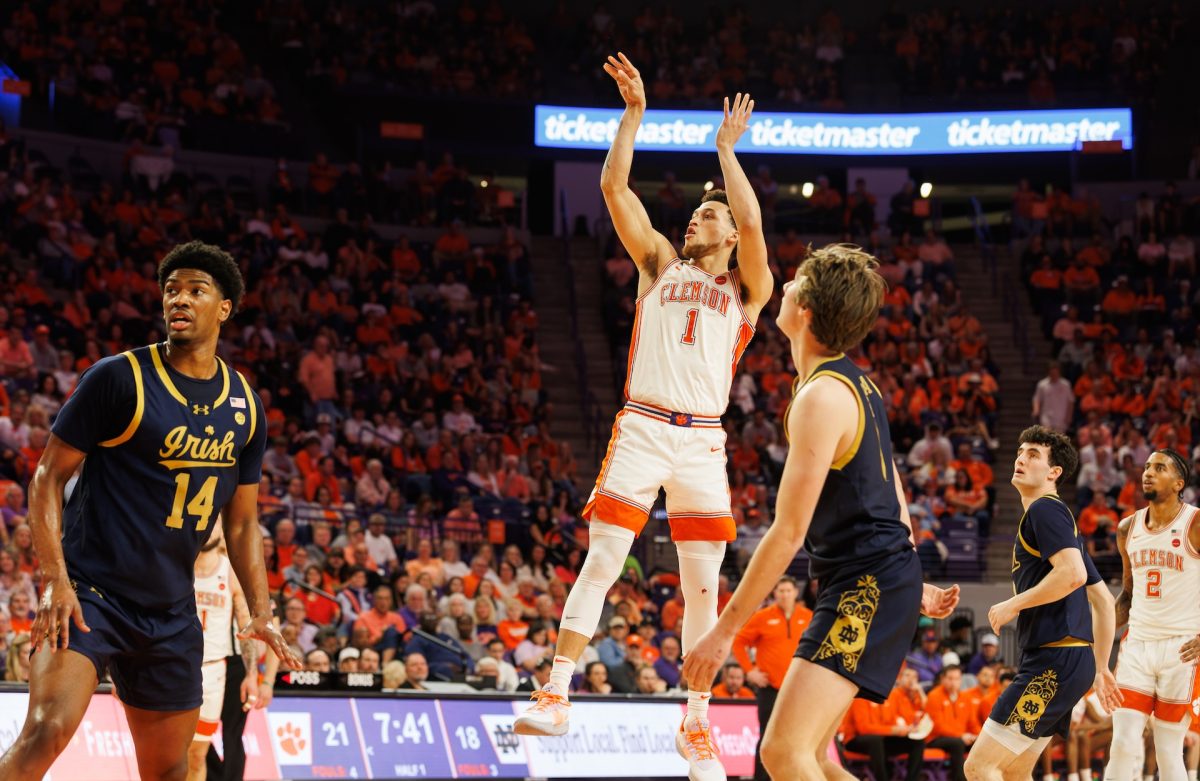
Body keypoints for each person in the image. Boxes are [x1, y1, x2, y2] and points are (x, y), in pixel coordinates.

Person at [514, 54, 774, 781]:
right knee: (603, 557)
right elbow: (612, 186)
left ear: (726, 236)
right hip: (642, 425)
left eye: (709, 214)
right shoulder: (660, 262)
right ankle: (557, 688)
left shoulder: (751, 288)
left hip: (702, 443)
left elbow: (752, 219)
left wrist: (727, 153)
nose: (699, 217)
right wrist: (632, 118)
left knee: (702, 585)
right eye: (697, 210)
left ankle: (695, 725)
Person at [0, 241, 301, 781]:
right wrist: (54, 581)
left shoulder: (245, 405)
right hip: (91, 594)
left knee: (170, 772)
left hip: (169, 610)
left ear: (225, 307)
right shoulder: (119, 378)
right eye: (171, 290)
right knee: (45, 731)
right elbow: (46, 476)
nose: (179, 300)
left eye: (196, 290)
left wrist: (260, 609)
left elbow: (241, 521)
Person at [681, 244, 960, 781]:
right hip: (875, 577)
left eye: (794, 283)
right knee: (812, 758)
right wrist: (911, 572)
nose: (782, 287)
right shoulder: (856, 382)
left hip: (866, 584)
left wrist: (722, 633)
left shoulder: (821, 397)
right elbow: (892, 485)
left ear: (805, 308)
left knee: (783, 754)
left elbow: (788, 533)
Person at [963, 426, 1121, 781]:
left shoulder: (1044, 511)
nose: (1021, 458)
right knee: (1015, 773)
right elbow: (1103, 601)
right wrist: (1100, 668)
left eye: (1033, 454)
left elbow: (1073, 576)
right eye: (1020, 451)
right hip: (1069, 662)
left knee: (979, 767)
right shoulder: (1061, 521)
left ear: (1054, 473)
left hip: (1053, 661)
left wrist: (1012, 604)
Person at [1104, 449, 1200, 781]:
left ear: (1178, 483)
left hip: (1183, 649)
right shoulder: (1127, 527)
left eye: (1159, 468)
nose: (1148, 472)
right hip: (1138, 645)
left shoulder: (1195, 522)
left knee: (1168, 750)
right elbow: (1127, 596)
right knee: (1122, 743)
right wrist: (1095, 635)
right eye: (1146, 466)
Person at [188, 523, 262, 781]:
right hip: (177, 666)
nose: (210, 530)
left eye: (217, 524)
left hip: (213, 671)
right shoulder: (178, 565)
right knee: (173, 751)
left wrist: (252, 674)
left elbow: (246, 626)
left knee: (197, 754)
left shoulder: (230, 571)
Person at [731, 576, 812, 781]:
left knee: (797, 740)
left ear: (796, 593)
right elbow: (738, 642)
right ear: (775, 594)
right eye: (780, 591)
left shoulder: (808, 617)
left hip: (797, 690)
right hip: (770, 688)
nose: (784, 595)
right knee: (767, 738)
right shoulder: (762, 617)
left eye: (788, 591)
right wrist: (749, 671)